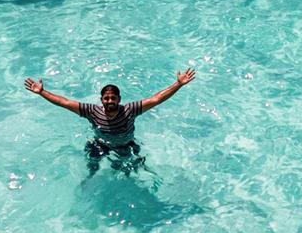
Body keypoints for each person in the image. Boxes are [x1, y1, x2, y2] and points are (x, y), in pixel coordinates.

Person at [24, 68, 196, 175]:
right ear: (101, 99)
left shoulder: (130, 110)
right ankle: (89, 179)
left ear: (119, 98)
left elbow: (156, 99)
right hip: (100, 144)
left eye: (113, 98)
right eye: (106, 98)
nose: (109, 101)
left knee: (127, 172)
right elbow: (65, 102)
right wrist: (42, 92)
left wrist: (178, 84)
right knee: (92, 169)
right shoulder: (91, 112)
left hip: (125, 145)